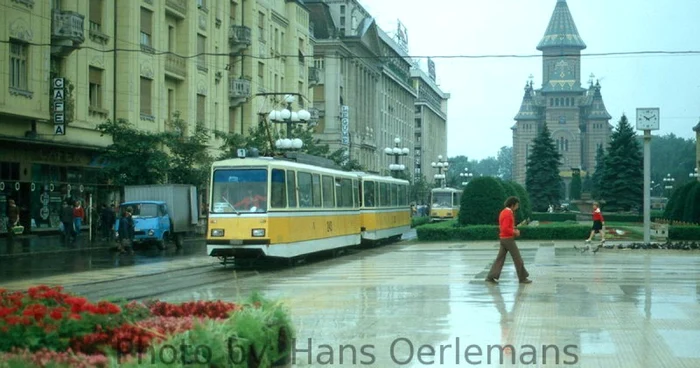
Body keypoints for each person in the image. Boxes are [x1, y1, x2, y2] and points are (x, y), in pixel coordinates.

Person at [486, 196, 532, 284]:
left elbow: (506, 227)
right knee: (517, 258)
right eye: (517, 205)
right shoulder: (508, 214)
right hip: (508, 239)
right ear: (512, 205)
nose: (518, 207)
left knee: (500, 259)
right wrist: (515, 232)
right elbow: (505, 228)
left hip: (503, 238)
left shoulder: (504, 212)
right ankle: (522, 278)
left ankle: (490, 277)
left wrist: (513, 228)